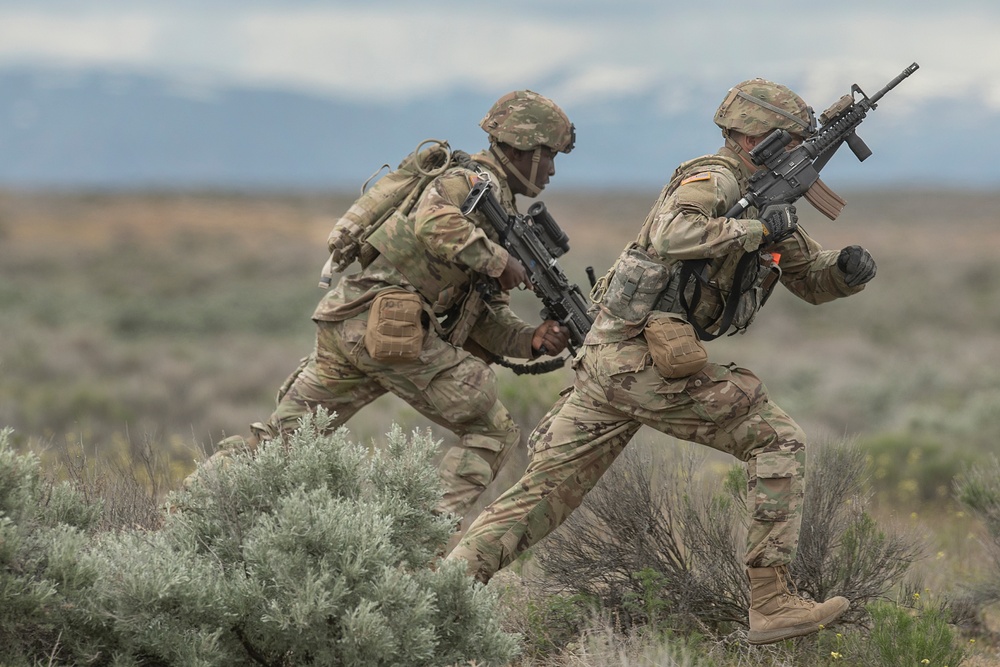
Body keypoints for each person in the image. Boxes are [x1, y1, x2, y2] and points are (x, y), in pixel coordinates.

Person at [448, 78, 877, 645]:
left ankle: (438, 594)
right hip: (635, 362)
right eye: (787, 140)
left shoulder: (763, 199)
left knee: (540, 500)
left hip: (613, 362)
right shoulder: (714, 179)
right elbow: (676, 232)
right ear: (753, 138)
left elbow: (806, 276)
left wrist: (845, 273)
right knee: (776, 439)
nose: (798, 152)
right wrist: (755, 228)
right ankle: (771, 602)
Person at [189, 90, 573, 540]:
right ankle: (416, 548)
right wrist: (498, 261)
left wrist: (529, 339)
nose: (551, 170)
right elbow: (433, 223)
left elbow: (482, 316)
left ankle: (190, 511)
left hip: (353, 325)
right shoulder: (470, 185)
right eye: (547, 157)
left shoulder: (497, 205)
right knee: (495, 432)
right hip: (387, 330)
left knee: (280, 443)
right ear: (523, 148)